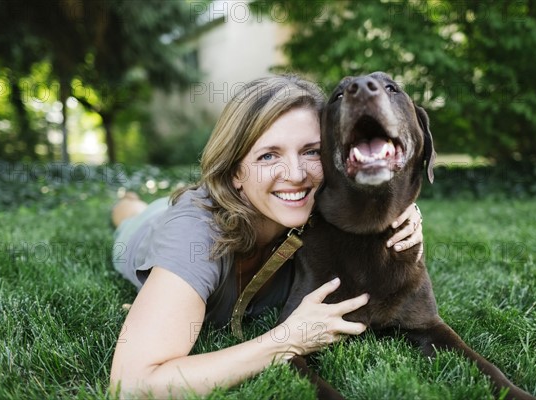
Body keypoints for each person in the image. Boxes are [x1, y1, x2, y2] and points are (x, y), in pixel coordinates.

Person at [109, 75, 423, 398]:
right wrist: (286, 340)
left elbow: (375, 182)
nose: (296, 175)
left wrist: (406, 211)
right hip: (153, 227)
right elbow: (131, 386)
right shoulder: (195, 235)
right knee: (132, 214)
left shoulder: (317, 202)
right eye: (268, 156)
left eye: (311, 152)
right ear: (235, 172)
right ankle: (127, 202)